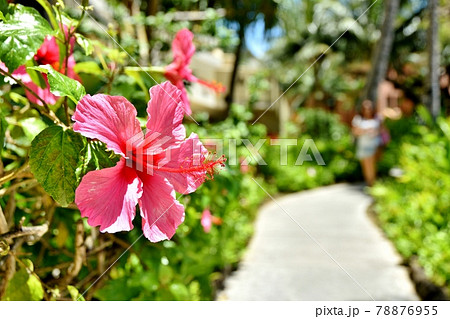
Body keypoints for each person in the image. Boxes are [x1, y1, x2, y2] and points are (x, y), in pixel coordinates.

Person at [352, 100, 381, 186]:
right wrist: (365, 131)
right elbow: (355, 131)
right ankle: (369, 183)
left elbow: (380, 131)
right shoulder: (358, 119)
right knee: (365, 166)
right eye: (365, 108)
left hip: (373, 145)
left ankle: (373, 184)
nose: (367, 110)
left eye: (369, 108)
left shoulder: (376, 118)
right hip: (362, 145)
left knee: (372, 165)